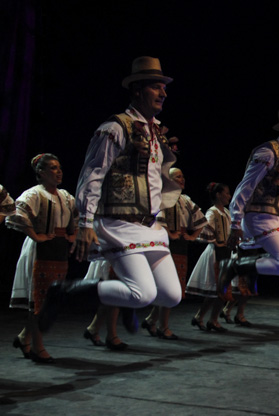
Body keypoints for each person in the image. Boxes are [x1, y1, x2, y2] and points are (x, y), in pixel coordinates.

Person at [37, 56, 183, 334]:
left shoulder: (155, 133)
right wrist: (85, 223)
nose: (163, 93)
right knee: (142, 293)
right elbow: (92, 175)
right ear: (138, 90)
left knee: (171, 296)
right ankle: (64, 292)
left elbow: (155, 180)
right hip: (119, 223)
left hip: (149, 226)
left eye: (164, 87)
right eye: (156, 86)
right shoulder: (115, 128)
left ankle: (127, 305)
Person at [217, 105, 279, 299]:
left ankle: (251, 265)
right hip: (260, 217)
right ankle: (234, 266)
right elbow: (245, 187)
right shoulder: (268, 152)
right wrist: (235, 222)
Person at [8, 154, 77, 363]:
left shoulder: (65, 196)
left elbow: (75, 217)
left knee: (49, 299)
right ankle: (38, 348)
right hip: (41, 251)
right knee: (40, 301)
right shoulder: (35, 194)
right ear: (41, 172)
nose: (59, 172)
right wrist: (36, 235)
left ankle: (24, 338)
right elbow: (16, 214)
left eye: (59, 167)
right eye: (53, 168)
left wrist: (72, 236)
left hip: (58, 251)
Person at [142, 167, 207, 339]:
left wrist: (192, 236)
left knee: (171, 288)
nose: (182, 179)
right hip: (165, 247)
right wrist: (169, 233)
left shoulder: (185, 200)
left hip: (180, 248)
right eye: (178, 176)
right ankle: (163, 326)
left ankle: (151, 320)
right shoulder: (163, 197)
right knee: (167, 287)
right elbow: (155, 219)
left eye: (182, 175)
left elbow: (201, 220)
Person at [187, 182, 232, 332]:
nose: (228, 196)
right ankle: (205, 318)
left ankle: (209, 318)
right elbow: (204, 228)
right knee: (216, 289)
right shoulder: (212, 212)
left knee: (221, 290)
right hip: (215, 253)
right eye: (226, 193)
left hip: (225, 253)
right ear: (218, 194)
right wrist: (217, 242)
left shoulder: (226, 212)